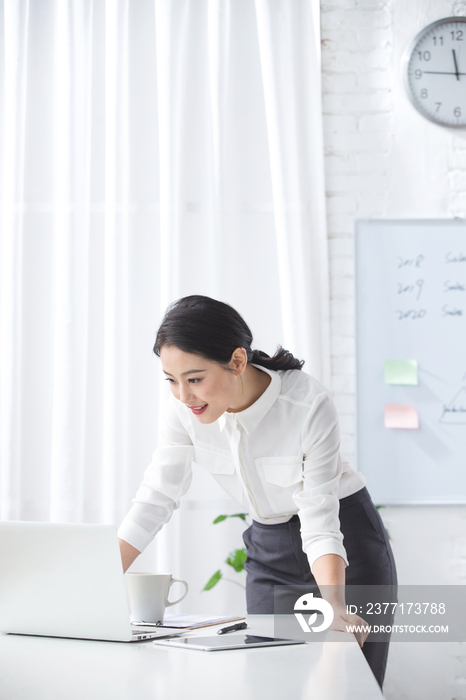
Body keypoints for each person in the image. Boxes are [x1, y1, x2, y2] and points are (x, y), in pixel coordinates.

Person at [118, 295, 397, 688]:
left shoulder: (307, 403)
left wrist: (334, 604)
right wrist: (101, 576)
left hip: (345, 543)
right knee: (271, 685)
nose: (182, 395)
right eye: (171, 380)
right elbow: (157, 497)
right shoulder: (183, 410)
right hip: (270, 548)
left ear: (236, 361)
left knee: (346, 688)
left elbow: (320, 518)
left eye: (194, 379)